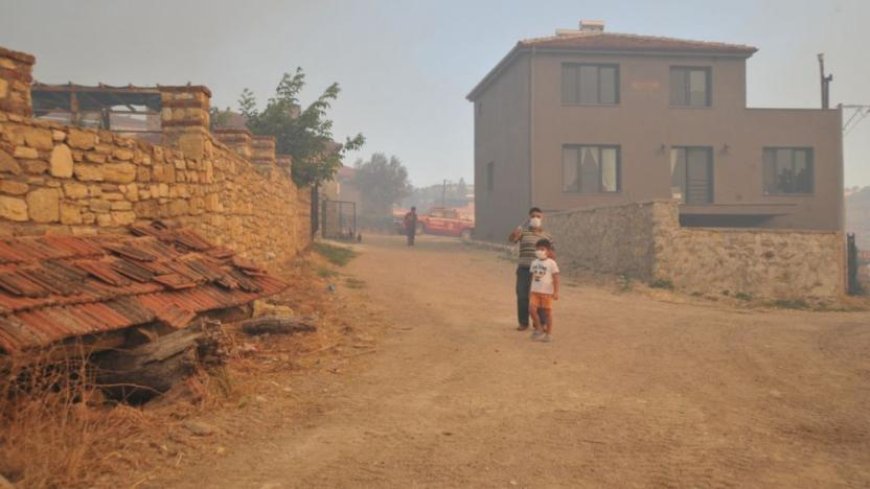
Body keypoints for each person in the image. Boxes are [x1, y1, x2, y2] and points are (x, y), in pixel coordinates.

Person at [508, 207, 554, 330]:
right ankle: (523, 323)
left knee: (540, 297)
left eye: (538, 216)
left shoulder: (547, 236)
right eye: (533, 216)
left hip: (541, 272)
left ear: (542, 218)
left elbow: (552, 253)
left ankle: (539, 323)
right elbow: (511, 240)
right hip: (524, 269)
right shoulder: (523, 233)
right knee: (522, 296)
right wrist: (514, 233)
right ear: (529, 218)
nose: (536, 218)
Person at [529, 239, 559, 342]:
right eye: (537, 249)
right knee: (531, 309)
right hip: (535, 292)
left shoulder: (552, 263)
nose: (539, 251)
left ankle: (549, 334)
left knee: (547, 313)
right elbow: (532, 277)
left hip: (547, 293)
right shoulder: (534, 262)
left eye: (542, 249)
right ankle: (539, 328)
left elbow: (556, 278)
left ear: (548, 251)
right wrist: (530, 290)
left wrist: (556, 292)